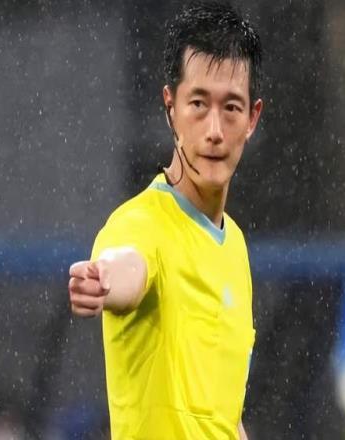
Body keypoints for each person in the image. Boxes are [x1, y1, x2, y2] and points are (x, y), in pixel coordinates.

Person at [68, 2, 263, 439]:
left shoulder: (234, 245)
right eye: (198, 104)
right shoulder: (139, 224)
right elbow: (125, 267)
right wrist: (101, 282)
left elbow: (224, 415)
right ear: (170, 107)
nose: (214, 130)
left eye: (231, 108)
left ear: (252, 119)